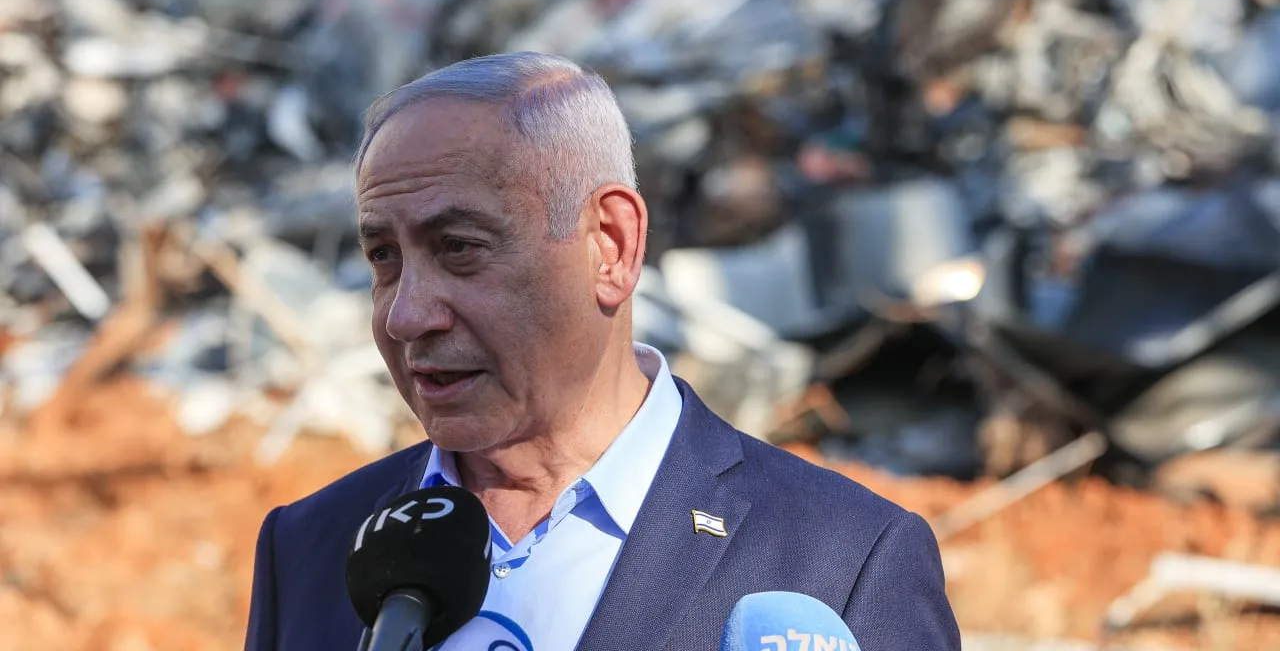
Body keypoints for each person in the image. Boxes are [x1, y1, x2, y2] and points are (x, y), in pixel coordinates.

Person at [244, 51, 961, 651]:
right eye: (383, 257)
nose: (406, 316)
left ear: (611, 246)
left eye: (459, 247)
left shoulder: (844, 561)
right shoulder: (309, 546)